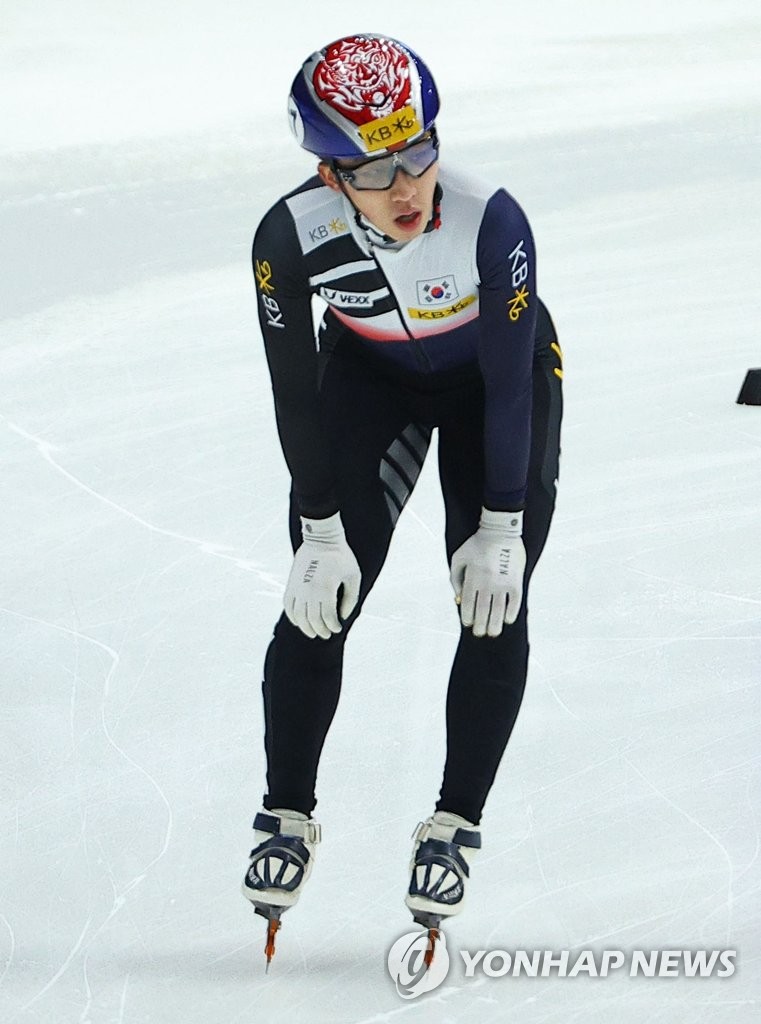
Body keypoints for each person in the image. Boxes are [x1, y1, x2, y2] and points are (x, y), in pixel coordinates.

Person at [242, 33, 563, 959]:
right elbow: (292, 388)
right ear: (327, 170)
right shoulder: (287, 237)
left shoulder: (488, 218)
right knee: (318, 600)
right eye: (377, 167)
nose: (408, 184)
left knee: (493, 599)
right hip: (368, 381)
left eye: (419, 149)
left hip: (490, 386)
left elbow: (507, 387)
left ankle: (453, 822)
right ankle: (284, 813)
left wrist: (501, 521)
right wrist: (316, 524)